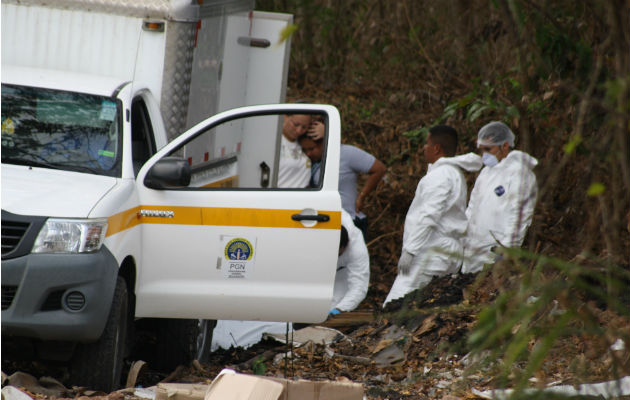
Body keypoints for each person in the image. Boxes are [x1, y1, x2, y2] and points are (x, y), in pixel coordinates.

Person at [383, 125, 482, 306]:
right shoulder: (454, 173)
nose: (423, 148)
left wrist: (410, 250)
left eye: (426, 144)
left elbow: (429, 215)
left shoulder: (441, 175)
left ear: (437, 148)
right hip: (445, 250)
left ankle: (390, 334)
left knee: (395, 304)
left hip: (431, 251)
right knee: (428, 303)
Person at [461, 121, 538, 274]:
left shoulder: (520, 174)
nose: (484, 154)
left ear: (505, 146)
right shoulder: (486, 173)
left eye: (488, 149)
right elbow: (472, 208)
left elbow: (519, 215)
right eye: (482, 149)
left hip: (495, 252)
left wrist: (507, 249)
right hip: (473, 251)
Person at [299, 122, 386, 238]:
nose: (308, 153)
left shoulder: (346, 153)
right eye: (305, 150)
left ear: (325, 143)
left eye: (311, 148)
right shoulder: (311, 163)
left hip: (350, 221)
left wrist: (362, 196)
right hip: (325, 221)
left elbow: (379, 169)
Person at [329, 210, 370, 317]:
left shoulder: (357, 251)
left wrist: (339, 310)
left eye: (337, 254)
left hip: (342, 270)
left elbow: (358, 287)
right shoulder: (330, 216)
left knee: (334, 303)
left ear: (345, 246)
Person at [277, 113, 312, 188]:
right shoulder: (274, 141)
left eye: (304, 127)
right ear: (285, 117)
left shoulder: (305, 140)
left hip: (303, 197)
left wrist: (324, 131)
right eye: (296, 124)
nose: (299, 131)